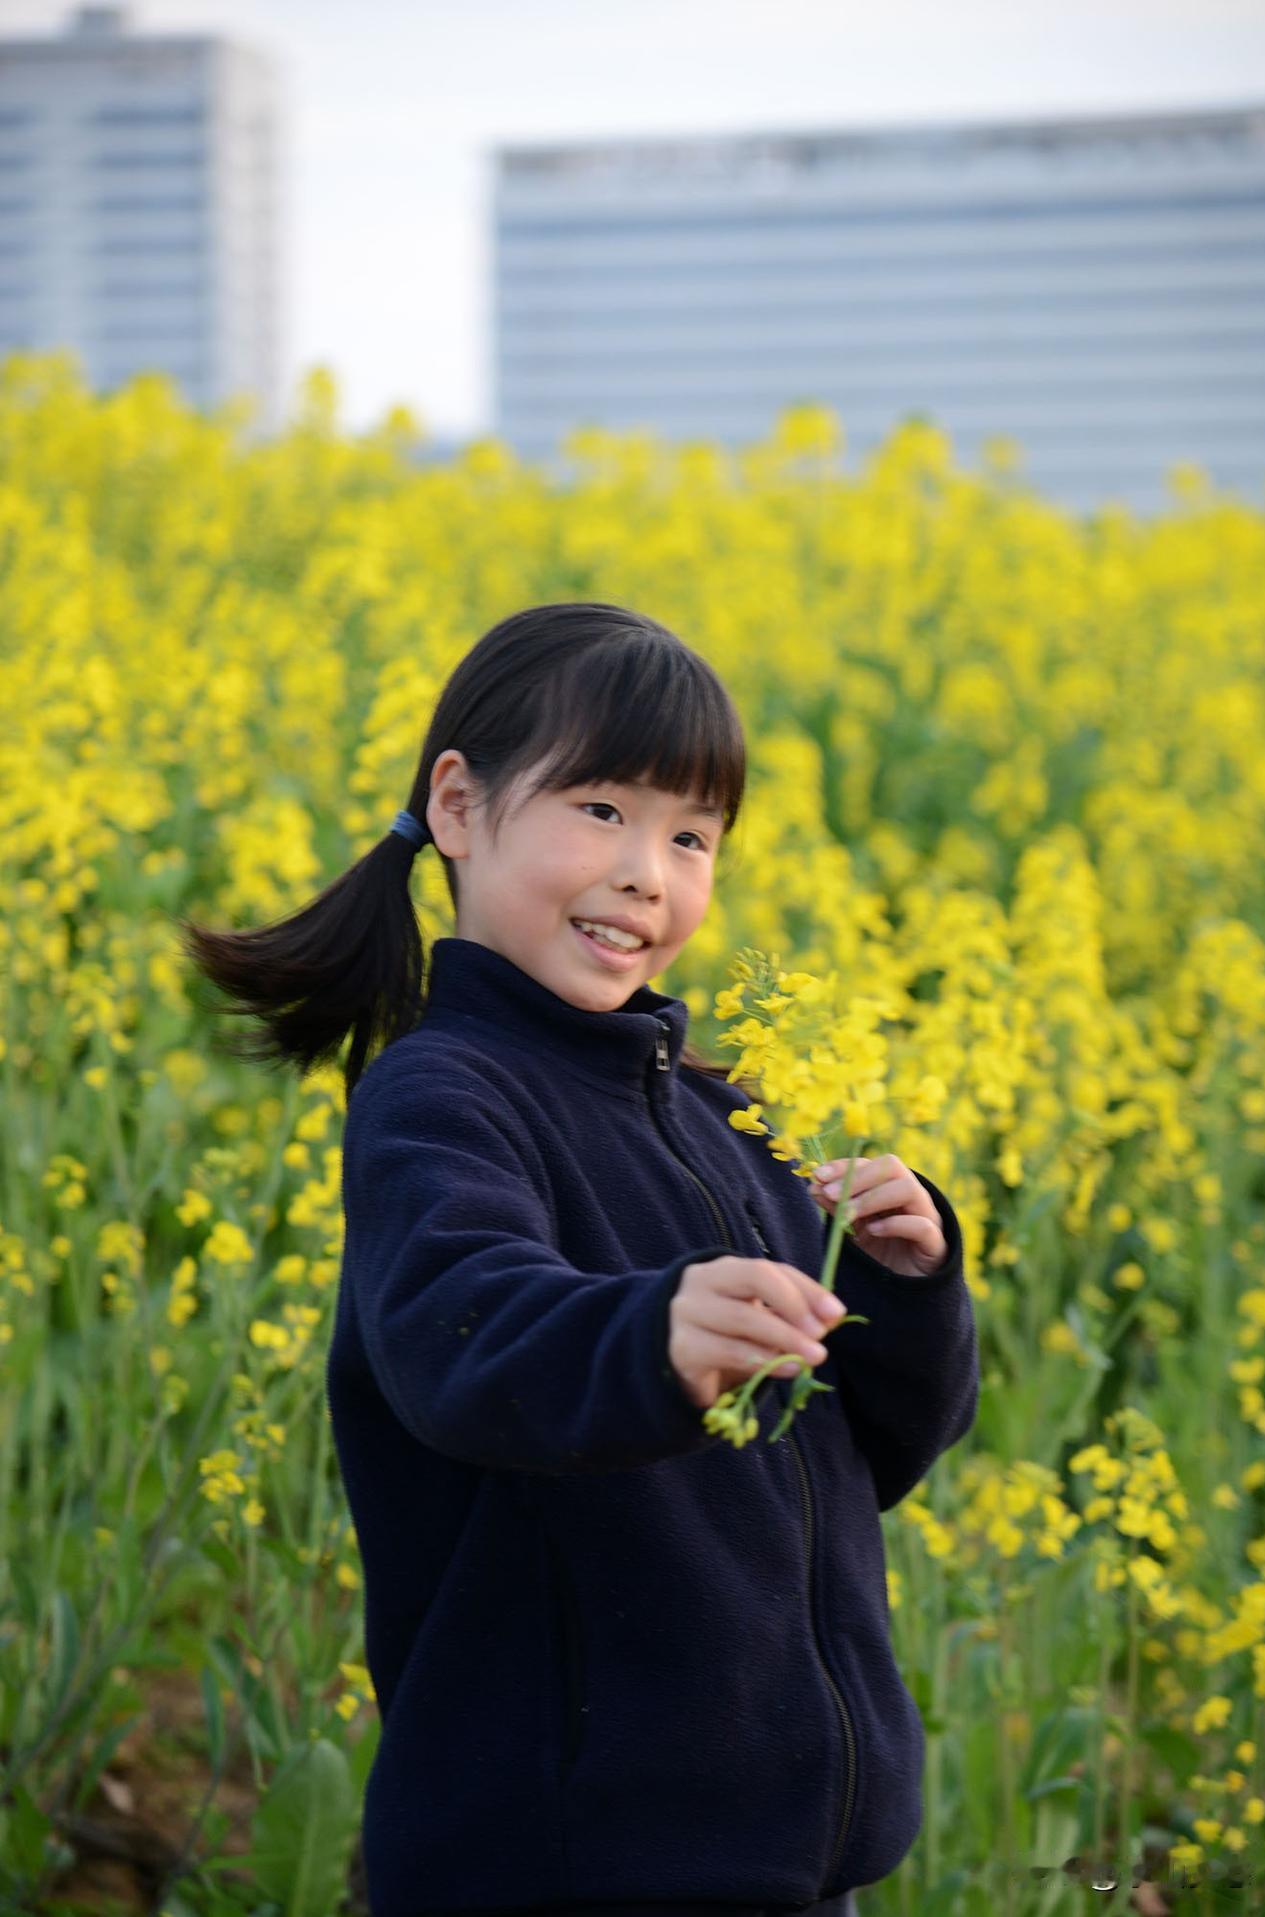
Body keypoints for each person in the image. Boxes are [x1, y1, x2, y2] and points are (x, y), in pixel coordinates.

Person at [180, 601, 979, 1917]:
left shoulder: (735, 1125)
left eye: (692, 836)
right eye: (601, 809)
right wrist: (651, 1334)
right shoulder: (439, 1097)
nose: (647, 871)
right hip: (561, 1864)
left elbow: (867, 1454)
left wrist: (906, 1284)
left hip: (787, 1867)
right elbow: (466, 1335)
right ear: (458, 804)